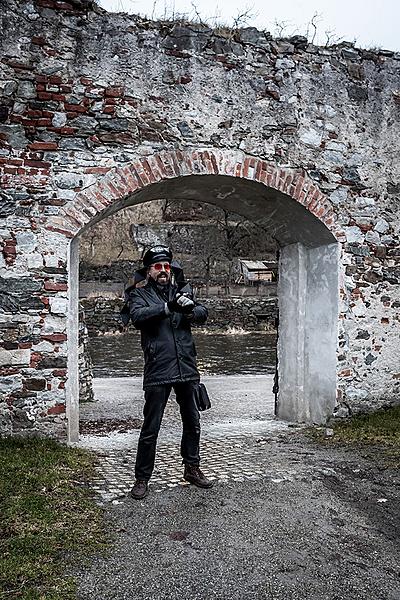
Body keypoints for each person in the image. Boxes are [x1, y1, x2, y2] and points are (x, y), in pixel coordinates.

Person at [127, 245, 213, 500]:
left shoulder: (183, 290)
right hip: (158, 367)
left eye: (166, 267)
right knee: (151, 427)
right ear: (149, 271)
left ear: (171, 269)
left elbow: (202, 314)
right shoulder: (138, 294)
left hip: (186, 366)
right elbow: (137, 317)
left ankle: (192, 468)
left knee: (193, 423)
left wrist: (189, 309)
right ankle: (142, 478)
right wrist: (167, 307)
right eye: (157, 267)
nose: (163, 271)